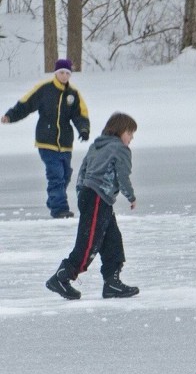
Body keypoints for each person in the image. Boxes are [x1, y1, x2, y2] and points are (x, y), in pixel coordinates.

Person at [46, 112, 139, 300]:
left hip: (91, 195)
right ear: (121, 131)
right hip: (98, 197)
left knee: (112, 239)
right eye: (130, 133)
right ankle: (62, 276)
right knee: (89, 243)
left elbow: (83, 170)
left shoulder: (96, 146)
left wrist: (82, 194)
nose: (131, 138)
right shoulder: (121, 149)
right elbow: (122, 176)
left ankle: (112, 283)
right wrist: (131, 196)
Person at [1, 58, 90, 218]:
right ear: (56, 73)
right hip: (46, 141)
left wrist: (83, 129)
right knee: (55, 175)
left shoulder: (73, 94)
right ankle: (59, 209)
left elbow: (80, 115)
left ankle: (54, 199)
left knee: (65, 175)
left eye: (67, 73)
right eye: (61, 73)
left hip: (65, 143)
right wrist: (10, 116)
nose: (64, 76)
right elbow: (25, 104)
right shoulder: (45, 90)